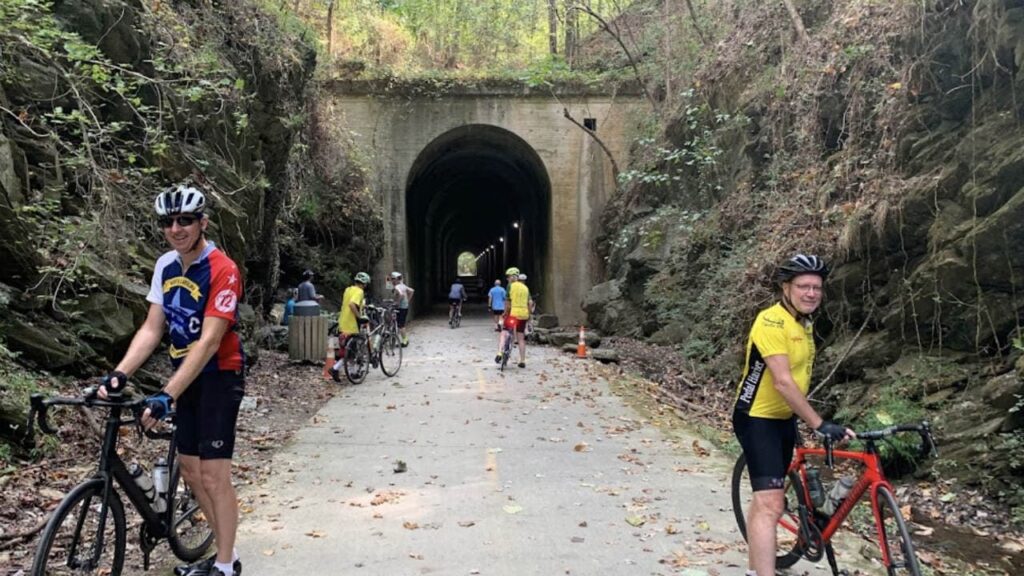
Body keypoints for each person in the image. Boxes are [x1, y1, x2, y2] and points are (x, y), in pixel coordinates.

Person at [97, 184, 244, 576]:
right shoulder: (165, 265)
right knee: (192, 471)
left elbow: (211, 340)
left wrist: (165, 394)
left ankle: (227, 567)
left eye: (185, 221)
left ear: (202, 223)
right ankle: (221, 554)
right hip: (185, 375)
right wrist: (119, 373)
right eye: (167, 222)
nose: (176, 228)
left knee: (214, 474)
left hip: (219, 375)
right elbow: (151, 329)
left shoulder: (223, 270)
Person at [733, 254, 854, 576]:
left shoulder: (804, 323)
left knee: (767, 498)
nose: (811, 293)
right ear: (786, 288)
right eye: (803, 286)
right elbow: (783, 382)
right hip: (757, 417)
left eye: (817, 287)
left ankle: (757, 562)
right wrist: (819, 423)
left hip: (784, 417)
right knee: (772, 503)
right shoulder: (771, 321)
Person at [329, 272, 371, 380]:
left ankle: (353, 372)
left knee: (349, 350)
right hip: (351, 325)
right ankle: (335, 368)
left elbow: (350, 302)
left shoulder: (348, 289)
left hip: (342, 322)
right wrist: (359, 317)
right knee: (352, 350)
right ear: (364, 284)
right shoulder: (359, 291)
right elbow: (352, 304)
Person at [495, 267, 531, 368]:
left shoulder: (510, 286)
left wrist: (505, 313)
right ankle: (522, 360)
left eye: (508, 277)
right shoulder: (525, 288)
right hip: (523, 315)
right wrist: (529, 315)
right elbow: (530, 302)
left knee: (504, 332)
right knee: (521, 338)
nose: (507, 279)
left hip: (513, 314)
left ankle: (500, 352)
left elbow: (508, 303)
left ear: (513, 277)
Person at [390, 271, 414, 347]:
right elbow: (412, 291)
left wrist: (397, 302)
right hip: (405, 307)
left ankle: (404, 341)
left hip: (400, 308)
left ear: (397, 279)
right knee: (401, 324)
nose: (392, 280)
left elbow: (401, 295)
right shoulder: (403, 285)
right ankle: (405, 339)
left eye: (393, 279)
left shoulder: (397, 287)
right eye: (392, 279)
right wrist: (408, 300)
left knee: (401, 325)